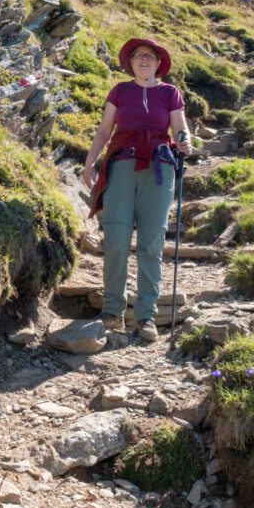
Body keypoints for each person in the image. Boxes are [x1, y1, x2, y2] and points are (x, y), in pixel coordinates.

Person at [81, 38, 192, 342]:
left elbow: (179, 126)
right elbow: (105, 130)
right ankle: (111, 311)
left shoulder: (170, 92)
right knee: (116, 238)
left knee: (151, 242)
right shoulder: (120, 91)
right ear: (130, 62)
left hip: (159, 167)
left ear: (159, 63)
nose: (144, 59)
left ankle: (146, 316)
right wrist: (89, 164)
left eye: (150, 55)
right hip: (120, 166)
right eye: (138, 55)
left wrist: (184, 140)